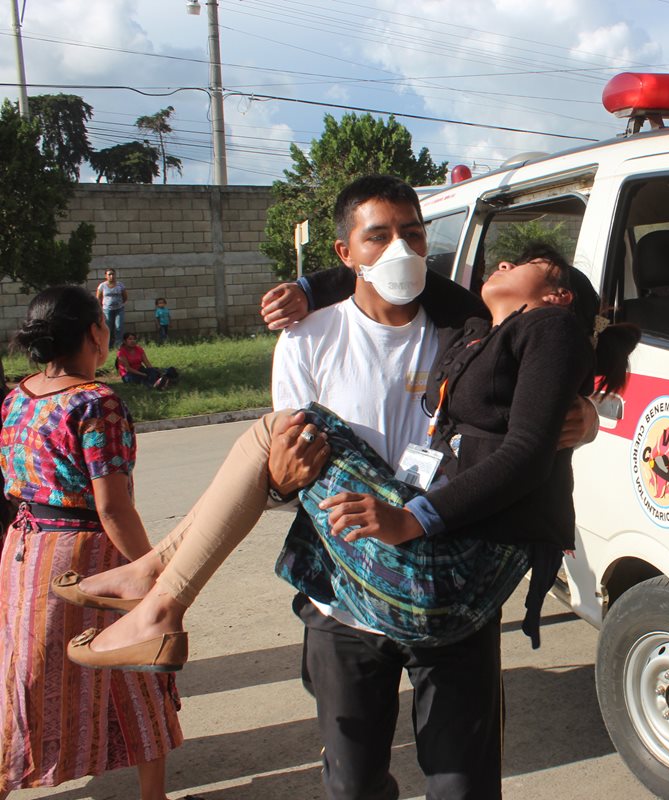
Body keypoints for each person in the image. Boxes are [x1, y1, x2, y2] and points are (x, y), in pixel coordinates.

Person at [63, 175, 627, 800]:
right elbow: (283, 480)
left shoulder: (467, 325)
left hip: (443, 576)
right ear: (344, 253)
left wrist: (582, 421)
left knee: (463, 782)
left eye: (413, 235)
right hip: (344, 594)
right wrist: (281, 476)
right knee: (353, 783)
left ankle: (161, 585)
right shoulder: (308, 338)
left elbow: (527, 423)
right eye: (378, 237)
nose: (400, 252)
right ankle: (159, 584)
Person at [0, 286, 183, 800]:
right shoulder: (96, 402)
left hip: (23, 551)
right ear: (95, 334)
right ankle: (152, 795)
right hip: (85, 558)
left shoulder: (18, 396)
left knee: (27, 677)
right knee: (135, 667)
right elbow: (112, 507)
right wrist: (151, 567)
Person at [95, 268, 127, 348]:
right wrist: (100, 308)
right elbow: (98, 298)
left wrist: (119, 303)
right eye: (109, 274)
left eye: (113, 274)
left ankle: (118, 345)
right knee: (108, 327)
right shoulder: (102, 286)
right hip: (107, 310)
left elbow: (125, 296)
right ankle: (107, 345)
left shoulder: (120, 285)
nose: (111, 276)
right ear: (106, 276)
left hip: (119, 309)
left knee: (119, 326)